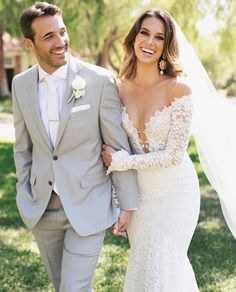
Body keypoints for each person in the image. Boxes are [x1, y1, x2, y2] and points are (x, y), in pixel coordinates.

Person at [12, 2, 138, 291]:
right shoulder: (20, 85)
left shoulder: (98, 80)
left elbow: (117, 146)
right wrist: (24, 192)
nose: (60, 42)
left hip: (88, 203)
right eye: (49, 37)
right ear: (29, 44)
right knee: (62, 287)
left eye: (62, 32)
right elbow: (22, 147)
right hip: (42, 207)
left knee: (74, 288)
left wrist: (127, 204)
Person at [102, 9, 201, 291]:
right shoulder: (116, 89)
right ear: (134, 38)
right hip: (140, 197)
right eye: (145, 32)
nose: (150, 41)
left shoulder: (178, 89)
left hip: (176, 193)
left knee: (166, 263)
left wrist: (122, 162)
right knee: (143, 265)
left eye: (160, 37)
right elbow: (111, 145)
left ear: (166, 46)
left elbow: (174, 155)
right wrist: (119, 202)